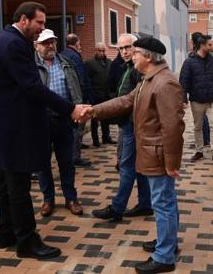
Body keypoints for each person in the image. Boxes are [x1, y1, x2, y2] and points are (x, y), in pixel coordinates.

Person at [0, 2, 85, 260]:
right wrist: (70, 108)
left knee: (4, 185)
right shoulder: (14, 44)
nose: (42, 28)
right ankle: (27, 241)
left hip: (3, 128)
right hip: (12, 129)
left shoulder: (4, 39)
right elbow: (33, 87)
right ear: (24, 20)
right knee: (18, 187)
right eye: (39, 23)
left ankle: (8, 235)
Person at [81, 37, 184, 273]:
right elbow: (126, 101)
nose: (131, 55)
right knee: (165, 201)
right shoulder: (149, 79)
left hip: (158, 155)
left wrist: (172, 163)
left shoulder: (165, 83)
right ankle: (167, 243)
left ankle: (165, 257)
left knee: (163, 203)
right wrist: (93, 110)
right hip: (151, 152)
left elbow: (173, 127)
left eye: (135, 52)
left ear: (148, 57)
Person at [92, 33, 152, 222]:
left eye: (128, 47)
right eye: (121, 48)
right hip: (129, 124)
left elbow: (131, 100)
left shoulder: (139, 70)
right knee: (138, 167)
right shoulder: (129, 66)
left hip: (133, 126)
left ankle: (117, 208)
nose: (125, 52)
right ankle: (145, 204)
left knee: (126, 166)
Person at [34, 29, 84, 217]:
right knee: (42, 163)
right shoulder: (31, 67)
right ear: (36, 46)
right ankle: (48, 199)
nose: (50, 46)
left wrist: (78, 111)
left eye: (53, 42)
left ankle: (71, 198)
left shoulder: (66, 64)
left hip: (63, 120)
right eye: (46, 42)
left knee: (67, 162)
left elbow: (76, 89)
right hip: (40, 121)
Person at [179, 33, 213, 163]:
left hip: (212, 99)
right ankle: (199, 151)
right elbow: (183, 81)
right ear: (202, 46)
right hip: (197, 100)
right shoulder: (189, 62)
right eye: (209, 44)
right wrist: (184, 99)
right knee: (198, 127)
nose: (212, 46)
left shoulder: (212, 60)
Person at [61, 33, 92, 167]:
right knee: (77, 129)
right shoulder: (75, 57)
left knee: (70, 131)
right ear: (77, 43)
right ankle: (75, 157)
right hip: (77, 99)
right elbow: (81, 78)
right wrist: (85, 98)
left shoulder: (61, 55)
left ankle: (69, 155)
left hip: (66, 98)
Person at [86, 43, 116, 147]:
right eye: (100, 50)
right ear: (95, 51)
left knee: (106, 118)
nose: (102, 53)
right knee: (95, 120)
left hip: (107, 96)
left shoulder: (109, 62)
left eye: (103, 51)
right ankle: (95, 140)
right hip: (96, 96)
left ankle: (106, 137)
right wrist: (90, 96)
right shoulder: (90, 63)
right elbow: (87, 80)